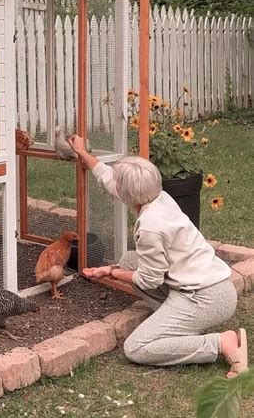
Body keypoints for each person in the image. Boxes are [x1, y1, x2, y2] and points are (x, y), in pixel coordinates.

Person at [68, 136, 248, 378]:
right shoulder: (158, 196)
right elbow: (108, 178)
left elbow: (150, 280)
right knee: (130, 260)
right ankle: (177, 326)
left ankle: (220, 342)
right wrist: (82, 151)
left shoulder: (151, 228)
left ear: (126, 194)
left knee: (137, 347)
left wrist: (109, 272)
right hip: (207, 285)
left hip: (205, 299)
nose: (115, 186)